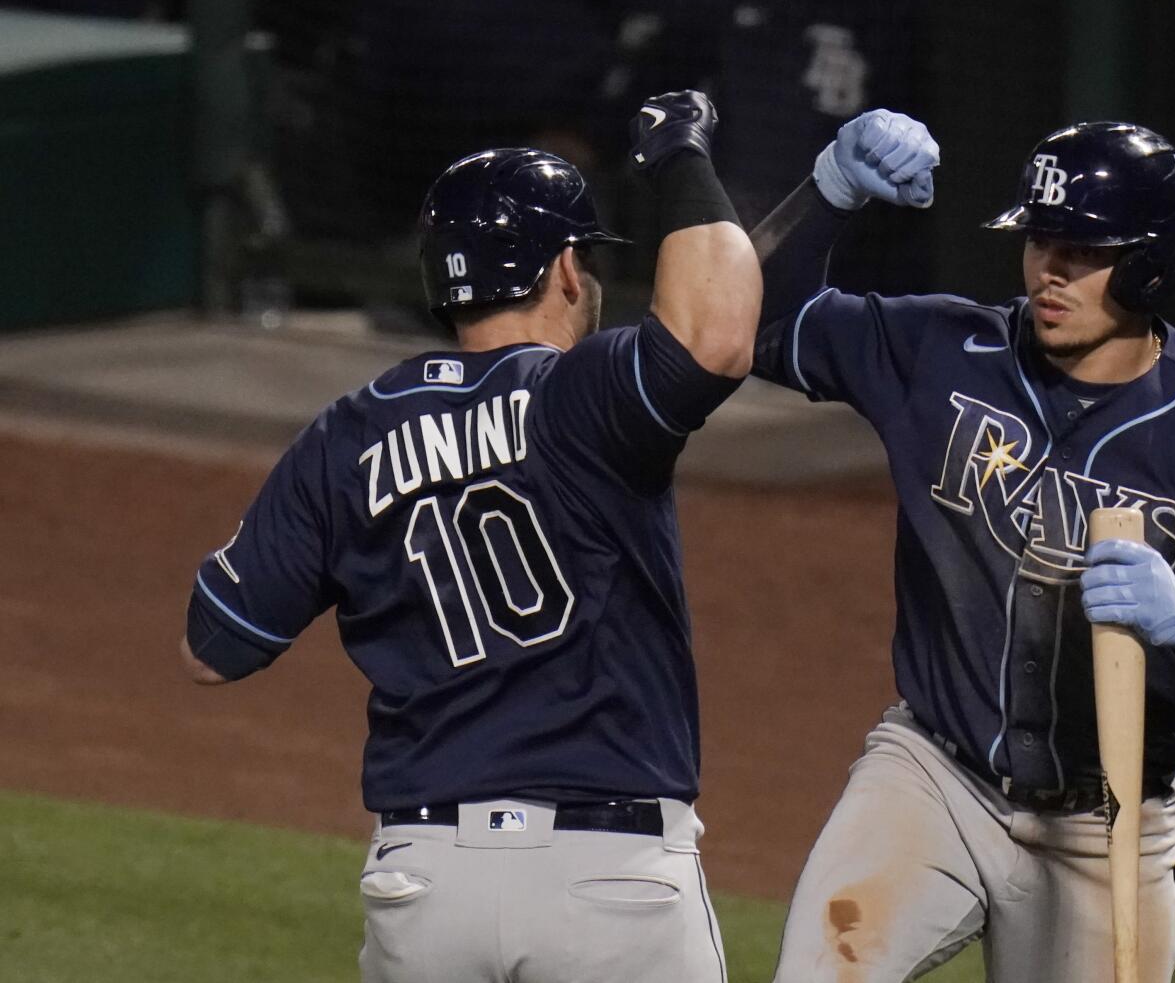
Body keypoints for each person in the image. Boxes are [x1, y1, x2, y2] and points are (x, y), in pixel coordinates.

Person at [749, 112, 1175, 982]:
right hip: (933, 779)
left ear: (1151, 260)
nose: (1050, 269)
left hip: (1110, 821)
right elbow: (738, 322)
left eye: (1084, 249)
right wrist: (830, 192)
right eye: (1040, 241)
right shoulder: (944, 350)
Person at [179, 89, 759, 983]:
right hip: (607, 881)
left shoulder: (347, 434)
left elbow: (212, 647)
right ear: (568, 268)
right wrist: (682, 150)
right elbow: (716, 333)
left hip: (424, 888)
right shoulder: (589, 394)